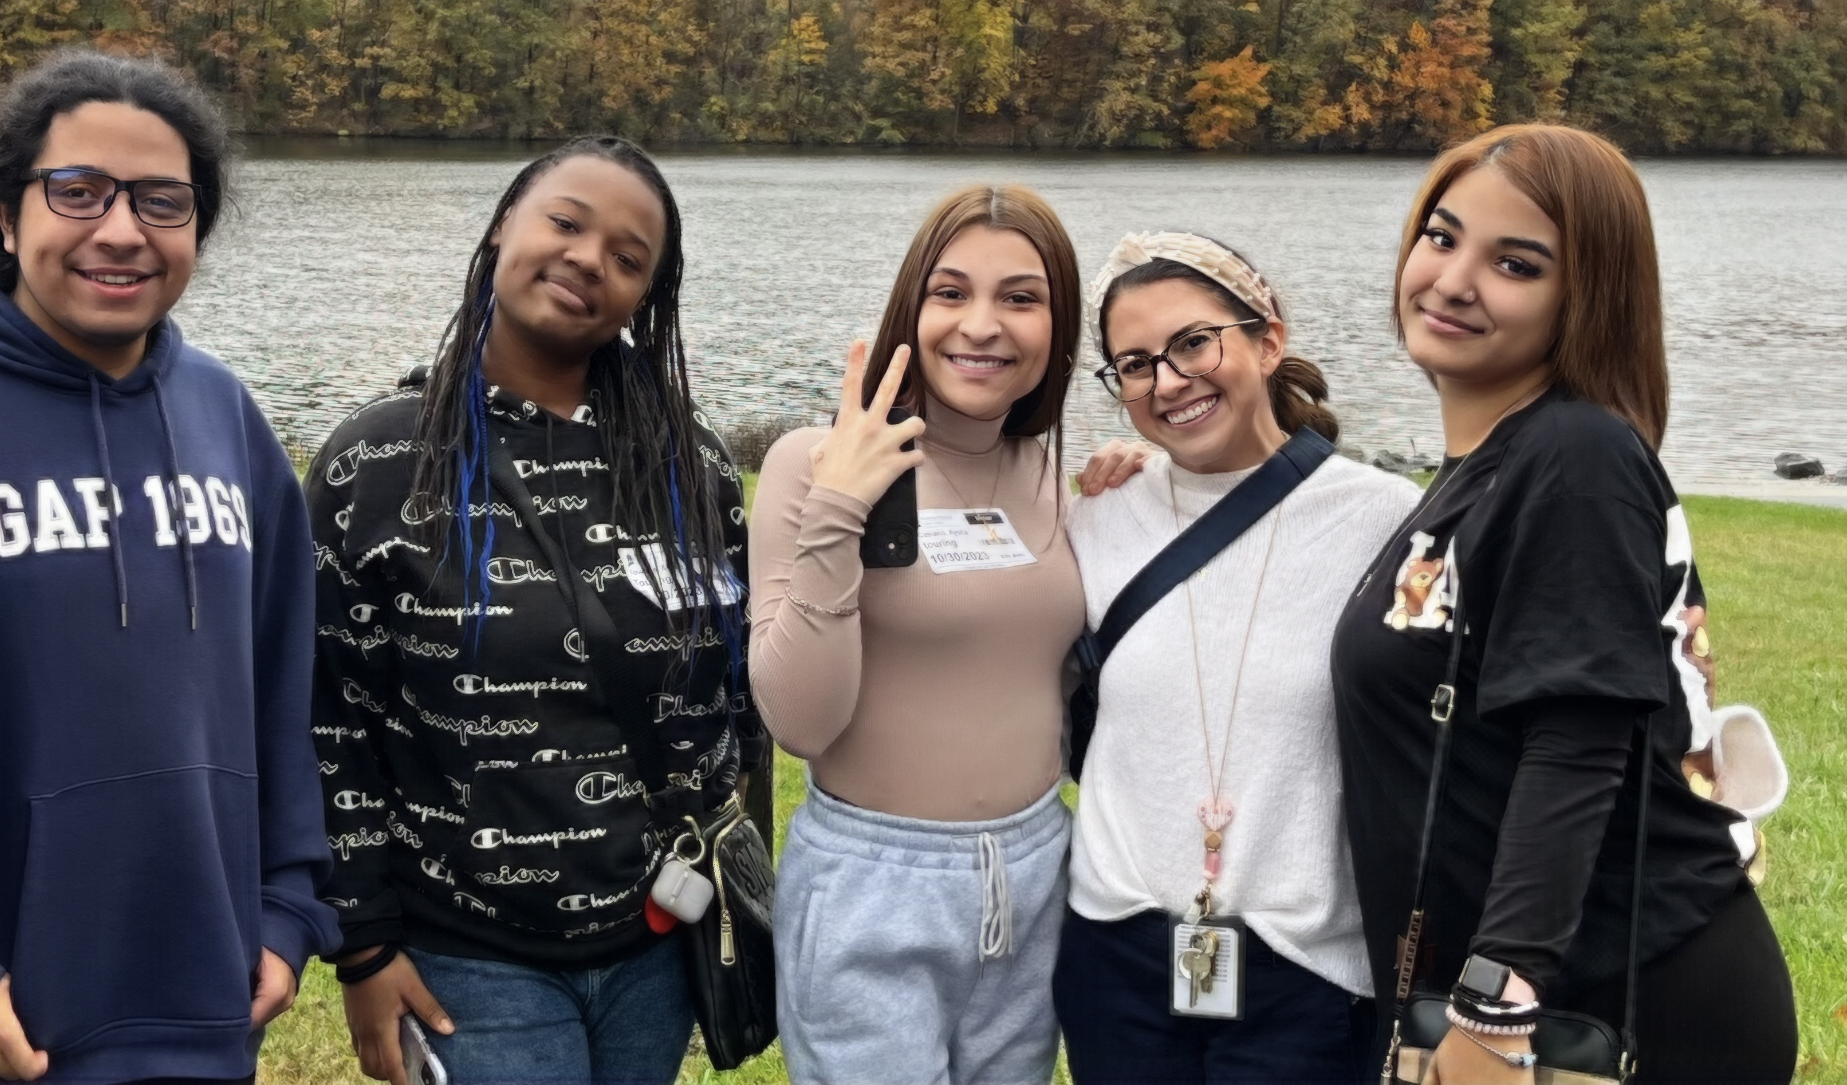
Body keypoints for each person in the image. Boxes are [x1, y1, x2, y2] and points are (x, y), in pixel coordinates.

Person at [0, 51, 332, 1084]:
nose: (121, 230)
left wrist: (288, 904)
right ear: (6, 211)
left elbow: (283, 687)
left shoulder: (226, 419)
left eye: (163, 202)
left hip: (203, 1006)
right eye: (77, 191)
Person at [1332, 123, 1799, 1084]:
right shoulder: (1489, 469)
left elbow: (1577, 740)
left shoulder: (1575, 457)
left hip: (1610, 1002)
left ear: (1585, 299)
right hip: (1523, 998)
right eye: (1441, 236)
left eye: (1515, 263)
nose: (1454, 279)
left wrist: (1493, 1002)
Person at [306, 135, 762, 1085]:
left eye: (629, 257)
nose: (590, 258)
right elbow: (325, 723)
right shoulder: (377, 466)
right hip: (468, 951)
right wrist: (363, 943)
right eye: (565, 221)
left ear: (647, 295)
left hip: (655, 944)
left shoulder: (694, 467)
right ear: (504, 226)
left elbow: (739, 699)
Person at [1055, 231, 1420, 1082]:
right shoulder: (1098, 519)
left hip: (1309, 964)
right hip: (1115, 950)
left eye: (1193, 342)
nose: (1169, 381)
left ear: (1267, 338)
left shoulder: (1385, 521)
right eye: (1135, 364)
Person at [745, 185, 1086, 1085]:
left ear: (1059, 325)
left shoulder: (1058, 476)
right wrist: (839, 508)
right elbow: (800, 722)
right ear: (911, 306)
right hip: (873, 881)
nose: (982, 325)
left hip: (1037, 872)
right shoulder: (811, 462)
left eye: (1021, 297)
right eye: (950, 292)